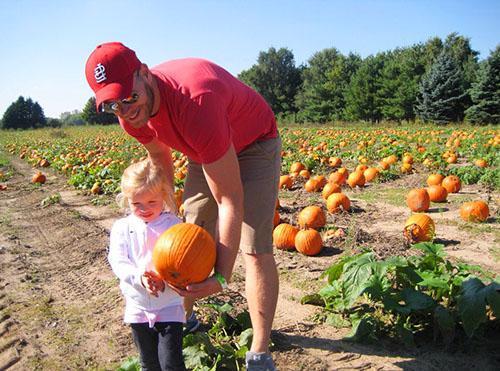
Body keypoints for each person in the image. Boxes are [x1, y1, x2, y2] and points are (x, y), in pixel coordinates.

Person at [86, 42, 281, 370]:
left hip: (253, 143)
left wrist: (220, 277)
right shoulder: (130, 116)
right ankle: (182, 317)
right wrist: (167, 223)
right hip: (202, 147)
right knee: (188, 232)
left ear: (144, 73)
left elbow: (229, 200)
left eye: (130, 97)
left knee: (254, 247)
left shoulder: (196, 102)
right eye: (113, 105)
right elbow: (160, 157)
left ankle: (259, 353)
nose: (126, 109)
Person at [109, 159, 186, 371]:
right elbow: (118, 261)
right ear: (127, 200)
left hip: (170, 304)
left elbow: (183, 262)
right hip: (137, 305)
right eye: (136, 204)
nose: (144, 209)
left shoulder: (175, 226)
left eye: (152, 202)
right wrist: (139, 278)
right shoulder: (121, 228)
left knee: (171, 364)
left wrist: (167, 282)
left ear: (164, 196)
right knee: (148, 363)